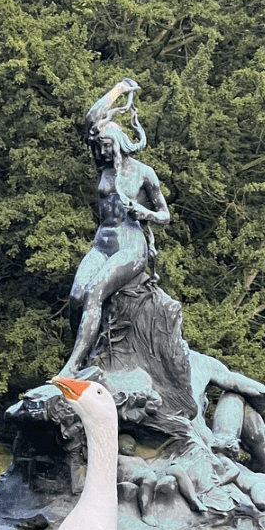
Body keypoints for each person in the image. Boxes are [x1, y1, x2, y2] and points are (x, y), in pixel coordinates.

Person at [59, 78, 171, 379]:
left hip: (131, 245)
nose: (102, 151)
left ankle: (72, 367)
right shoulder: (103, 168)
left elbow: (165, 215)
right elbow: (92, 120)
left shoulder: (144, 173)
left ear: (119, 144)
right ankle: (85, 354)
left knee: (95, 292)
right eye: (100, 146)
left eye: (107, 146)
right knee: (76, 295)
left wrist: (144, 211)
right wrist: (118, 91)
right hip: (102, 242)